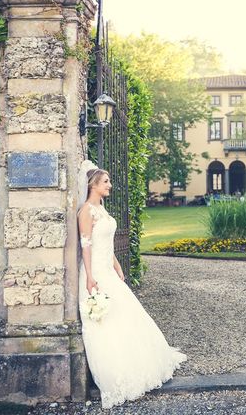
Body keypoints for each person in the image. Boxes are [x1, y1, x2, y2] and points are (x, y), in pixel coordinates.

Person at [77, 160, 186, 408]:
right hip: (95, 272)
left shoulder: (101, 209)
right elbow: (86, 245)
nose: (110, 185)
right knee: (107, 321)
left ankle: (141, 363)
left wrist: (116, 264)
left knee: (126, 314)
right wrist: (91, 277)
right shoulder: (86, 211)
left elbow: (104, 241)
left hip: (107, 268)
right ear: (93, 184)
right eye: (106, 181)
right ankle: (117, 373)